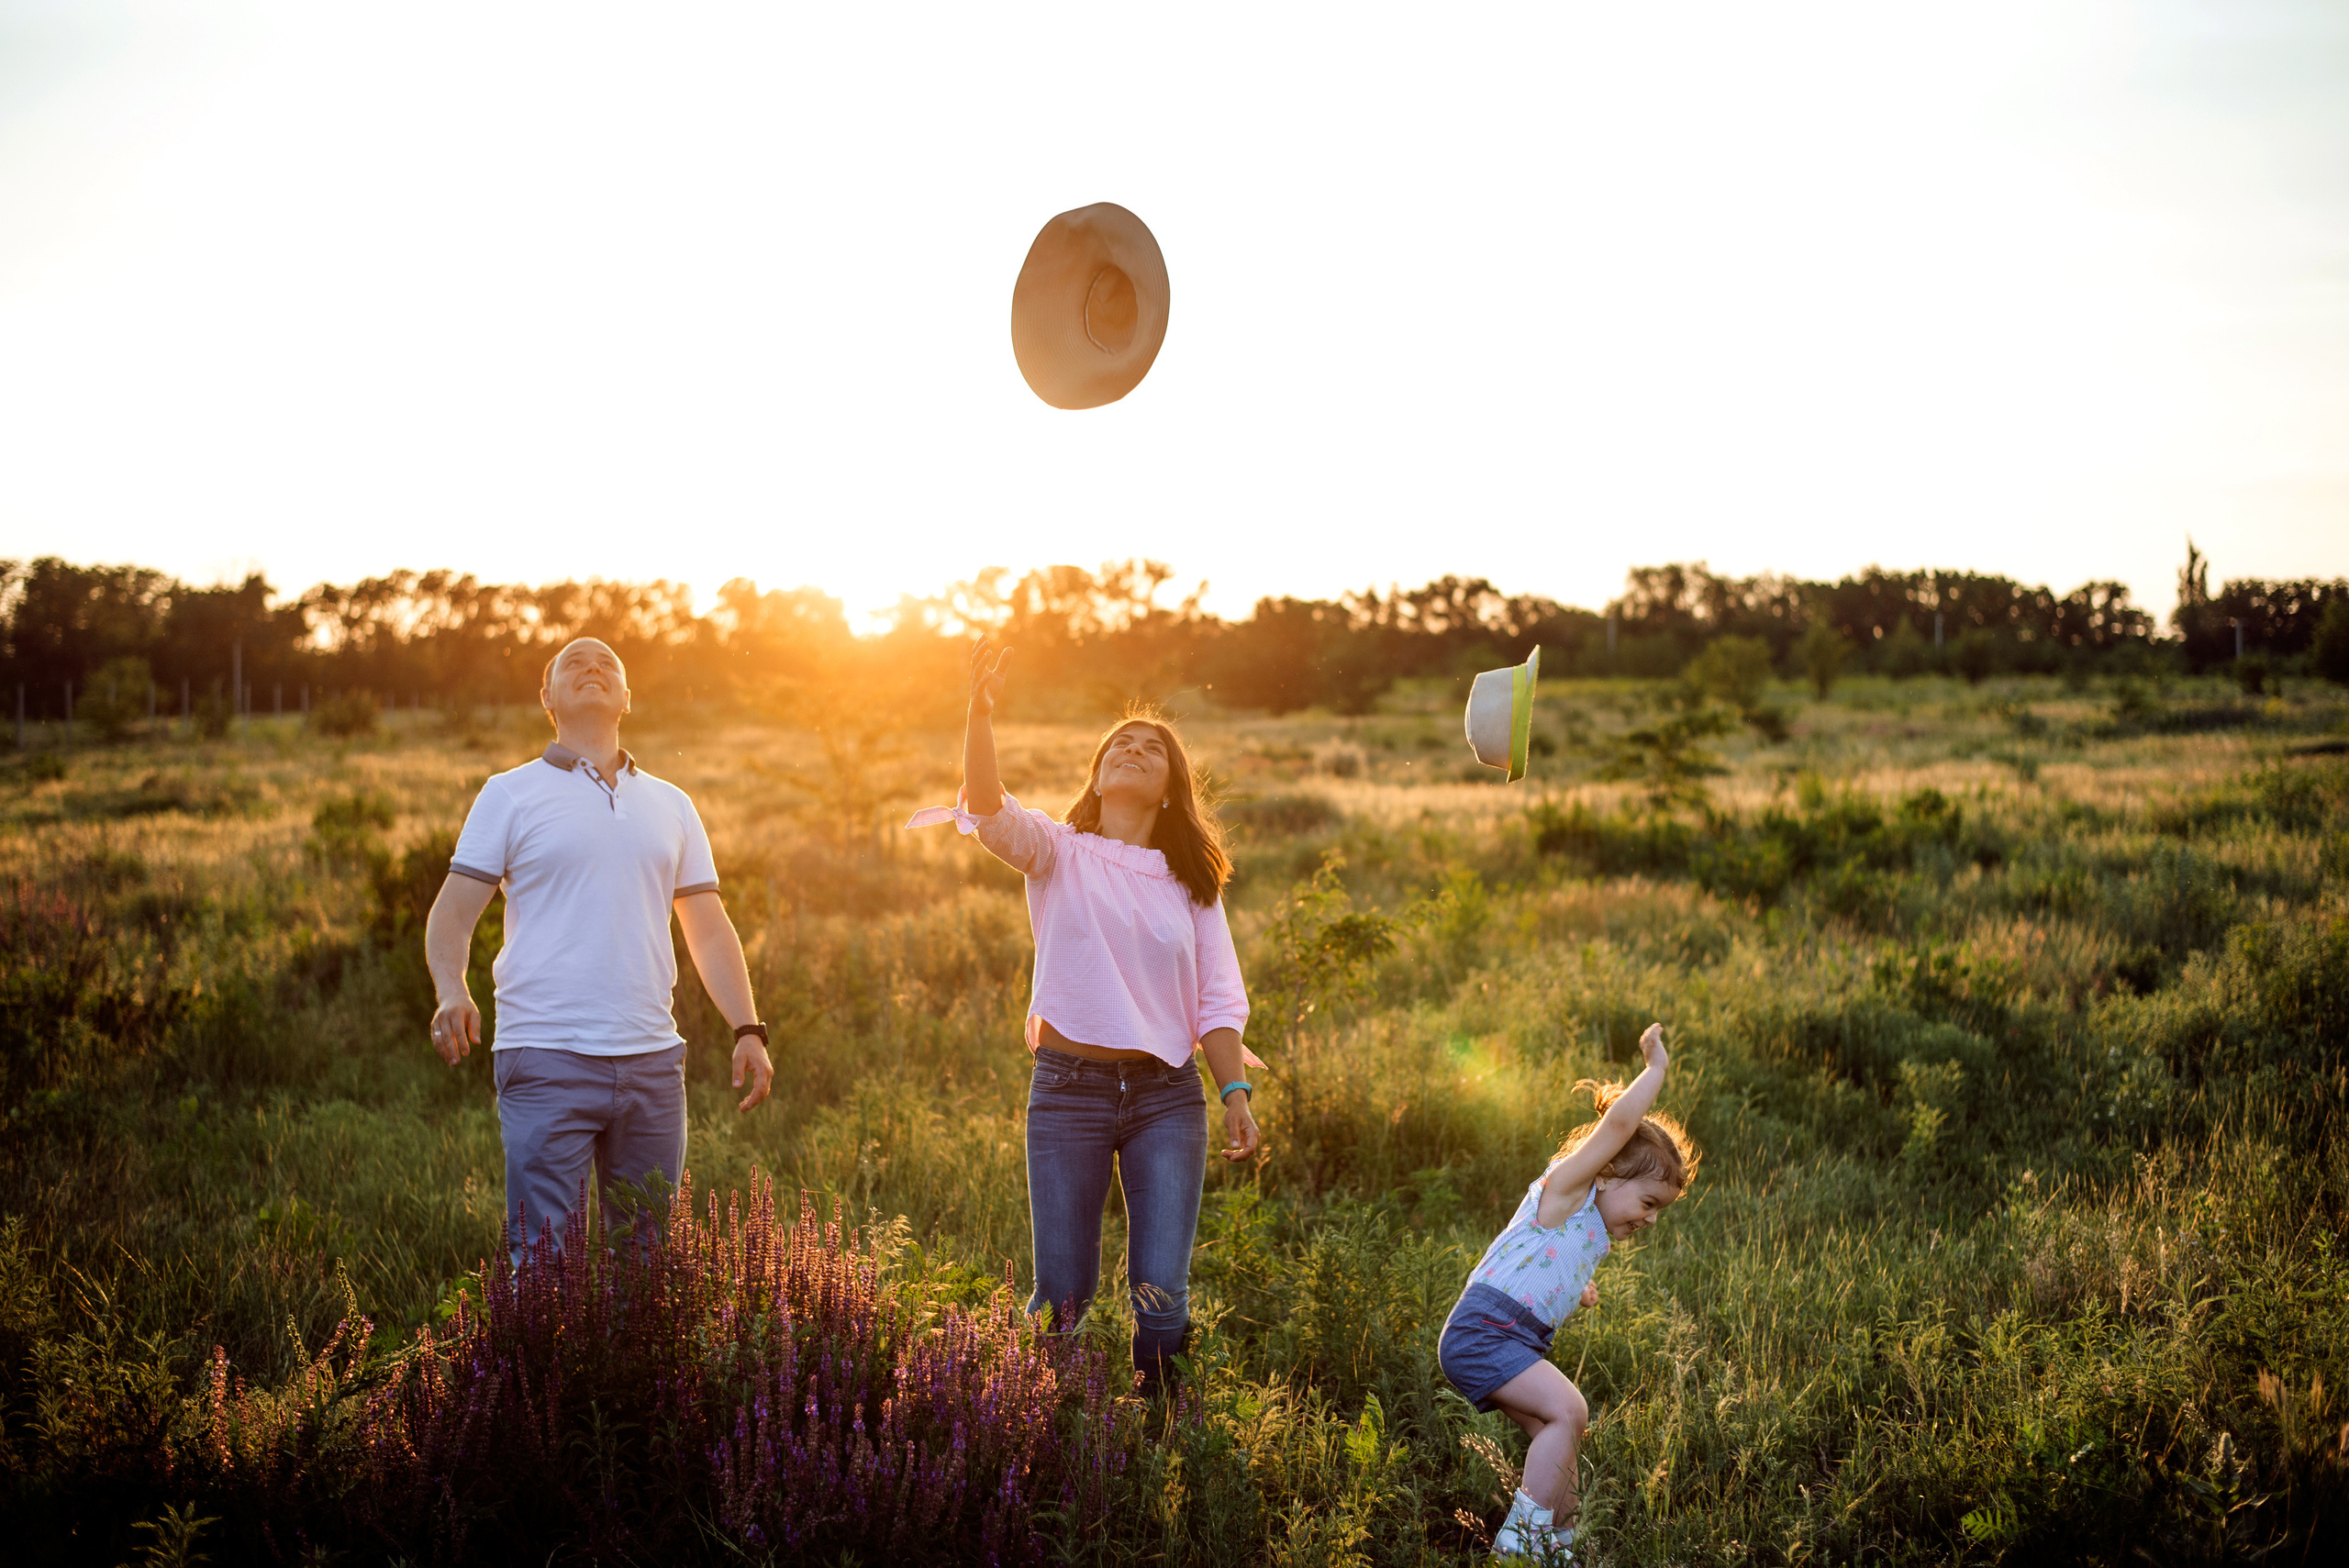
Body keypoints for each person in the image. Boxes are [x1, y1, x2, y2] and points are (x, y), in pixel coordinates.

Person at [908, 637, 1261, 1391]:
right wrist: (979, 714)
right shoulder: (1057, 849)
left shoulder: (1192, 884)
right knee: (1060, 1299)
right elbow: (986, 808)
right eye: (1120, 744)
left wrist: (1234, 1093)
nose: (1133, 749)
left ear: (1170, 788)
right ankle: (1043, 1435)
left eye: (1151, 749)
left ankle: (1162, 1438)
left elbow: (1219, 1002)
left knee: (1161, 1298)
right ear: (1098, 774)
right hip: (1068, 1091)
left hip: (1167, 1097)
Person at [423, 637, 774, 1256]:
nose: (592, 667)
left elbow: (709, 925)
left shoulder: (673, 803)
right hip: (545, 1057)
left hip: (653, 1064)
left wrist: (748, 1027)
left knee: (649, 1263)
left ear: (627, 698)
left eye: (607, 662)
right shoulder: (508, 794)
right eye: (573, 664)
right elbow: (452, 912)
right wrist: (452, 989)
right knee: (544, 1265)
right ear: (546, 698)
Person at [1438, 1024, 1697, 1562]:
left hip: (1507, 1337)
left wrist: (1576, 1288)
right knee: (1569, 1409)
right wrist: (1655, 1069)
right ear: (1605, 1171)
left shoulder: (1589, 1228)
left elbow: (1539, 1265)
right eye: (1648, 1202)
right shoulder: (1567, 1189)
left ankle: (1562, 1543)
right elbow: (1622, 1122)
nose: (1649, 1219)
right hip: (1484, 1332)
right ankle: (1521, 1542)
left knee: (1557, 1436)